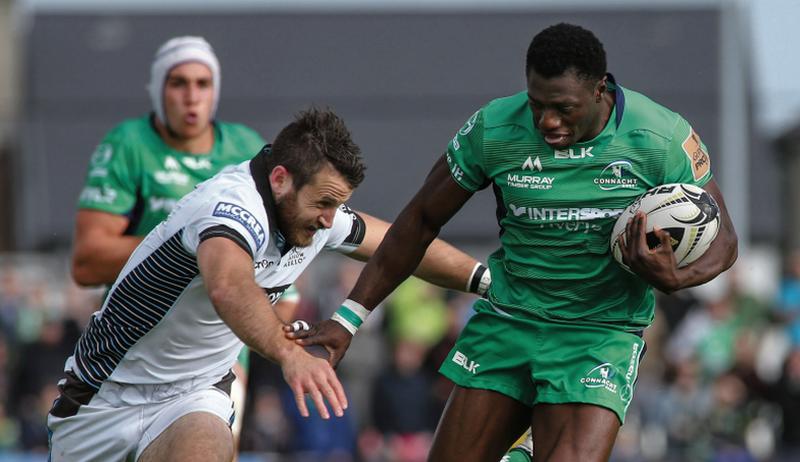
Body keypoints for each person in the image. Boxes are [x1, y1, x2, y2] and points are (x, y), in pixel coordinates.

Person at [286, 23, 738, 462]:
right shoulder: (495, 129)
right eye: (537, 103)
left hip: (599, 332)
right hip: (509, 318)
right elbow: (419, 222)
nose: (548, 121)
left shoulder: (659, 138)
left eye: (563, 107)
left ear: (601, 89)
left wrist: (677, 278)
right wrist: (348, 318)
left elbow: (726, 241)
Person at [47, 108, 491, 461]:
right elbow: (228, 287)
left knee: (205, 443)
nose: (329, 219)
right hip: (102, 398)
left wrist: (487, 281)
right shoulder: (227, 207)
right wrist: (289, 356)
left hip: (193, 395)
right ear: (280, 179)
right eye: (324, 203)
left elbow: (401, 244)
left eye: (339, 206)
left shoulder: (315, 216)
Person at [67, 35, 298, 451]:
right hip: (133, 351)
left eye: (202, 83)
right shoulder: (129, 145)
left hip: (217, 359)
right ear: (158, 88)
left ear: (216, 91)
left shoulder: (247, 148)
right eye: (178, 83)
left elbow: (281, 269)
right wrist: (189, 240)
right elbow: (87, 262)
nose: (191, 96)